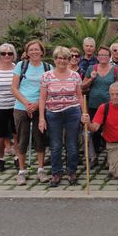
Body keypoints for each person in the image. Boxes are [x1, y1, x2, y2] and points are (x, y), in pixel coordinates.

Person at [38, 47, 83, 187]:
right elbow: (42, 99)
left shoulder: (75, 76)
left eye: (65, 58)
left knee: (72, 145)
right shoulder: (46, 76)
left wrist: (84, 113)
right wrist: (41, 118)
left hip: (72, 112)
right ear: (55, 59)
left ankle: (72, 171)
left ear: (69, 60)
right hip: (53, 114)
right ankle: (56, 173)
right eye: (59, 58)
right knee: (55, 145)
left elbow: (80, 96)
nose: (62, 61)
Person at [11, 40, 52, 185]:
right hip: (21, 107)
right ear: (27, 53)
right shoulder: (21, 66)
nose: (34, 52)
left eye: (37, 49)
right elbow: (14, 88)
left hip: (39, 107)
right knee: (22, 139)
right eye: (31, 50)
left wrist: (36, 104)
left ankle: (41, 169)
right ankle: (21, 171)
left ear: (42, 51)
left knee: (40, 138)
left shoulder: (48, 68)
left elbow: (50, 90)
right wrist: (27, 103)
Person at [82, 45, 118, 168]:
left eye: (105, 55)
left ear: (109, 57)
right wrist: (91, 78)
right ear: (97, 57)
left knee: (109, 132)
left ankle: (109, 157)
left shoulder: (115, 70)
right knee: (95, 132)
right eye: (101, 55)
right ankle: (94, 157)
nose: (103, 57)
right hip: (94, 105)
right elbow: (83, 87)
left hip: (110, 106)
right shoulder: (91, 68)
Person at [0, 44, 17, 172]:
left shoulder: (18, 68)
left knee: (17, 134)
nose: (7, 56)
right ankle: (0, 159)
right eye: (3, 53)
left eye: (9, 53)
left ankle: (17, 157)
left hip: (16, 106)